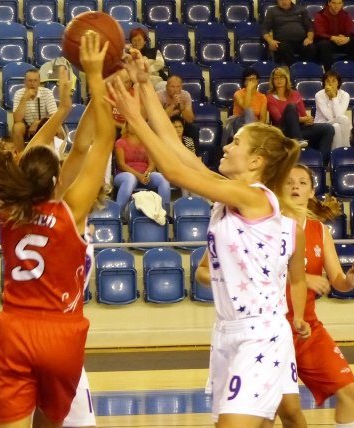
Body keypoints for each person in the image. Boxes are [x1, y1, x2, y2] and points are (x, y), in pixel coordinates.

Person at [106, 49, 311, 428]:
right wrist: (144, 85)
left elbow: (173, 169)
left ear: (256, 162)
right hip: (227, 331)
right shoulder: (229, 192)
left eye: (236, 143)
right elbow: (175, 149)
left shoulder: (256, 197)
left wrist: (133, 116)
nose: (226, 146)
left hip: (260, 333)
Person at [0, 31, 115, 428]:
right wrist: (96, 78)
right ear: (56, 181)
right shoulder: (71, 211)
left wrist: (63, 109)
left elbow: (65, 151)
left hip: (15, 329)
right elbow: (96, 143)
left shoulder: (10, 211)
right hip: (62, 332)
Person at [276, 164, 354, 428]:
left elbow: (336, 279)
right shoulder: (268, 226)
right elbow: (257, 273)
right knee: (288, 412)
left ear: (311, 192)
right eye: (289, 181)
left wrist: (349, 282)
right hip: (272, 328)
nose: (295, 186)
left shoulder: (320, 231)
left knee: (348, 390)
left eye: (302, 182)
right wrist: (301, 278)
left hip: (307, 328)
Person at [267, 66, 334, 162]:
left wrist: (308, 119)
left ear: (286, 79)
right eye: (276, 78)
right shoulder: (270, 97)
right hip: (283, 131)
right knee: (291, 107)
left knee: (329, 128)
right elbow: (278, 119)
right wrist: (302, 119)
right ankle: (298, 139)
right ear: (272, 81)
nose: (279, 80)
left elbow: (303, 114)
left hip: (299, 129)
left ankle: (321, 163)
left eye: (281, 77)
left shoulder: (295, 94)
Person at [113, 122, 171, 213]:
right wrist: (139, 176)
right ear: (126, 126)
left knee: (163, 178)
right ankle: (118, 213)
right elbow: (121, 164)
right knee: (130, 178)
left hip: (145, 175)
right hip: (124, 175)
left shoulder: (146, 143)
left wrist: (147, 174)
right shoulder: (120, 143)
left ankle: (164, 213)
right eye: (131, 124)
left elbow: (152, 163)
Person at [12, 69, 58, 153]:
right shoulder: (19, 93)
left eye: (35, 80)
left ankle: (55, 155)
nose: (32, 84)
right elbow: (17, 119)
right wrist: (24, 98)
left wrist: (38, 123)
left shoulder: (47, 93)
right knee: (17, 127)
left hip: (43, 124)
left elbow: (54, 116)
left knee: (58, 127)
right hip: (26, 127)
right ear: (25, 82)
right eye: (29, 81)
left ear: (39, 82)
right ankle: (21, 156)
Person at [221, 68, 268, 146]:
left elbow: (263, 119)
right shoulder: (238, 94)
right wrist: (249, 89)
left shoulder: (262, 97)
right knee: (249, 111)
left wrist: (254, 125)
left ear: (257, 80)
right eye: (248, 79)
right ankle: (251, 138)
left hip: (254, 124)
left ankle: (250, 138)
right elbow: (246, 107)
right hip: (238, 122)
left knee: (254, 119)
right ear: (244, 82)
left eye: (253, 79)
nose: (251, 82)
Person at [262, 0, 317, 66]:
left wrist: (309, 38)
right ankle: (293, 68)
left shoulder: (301, 10)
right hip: (283, 42)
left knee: (311, 47)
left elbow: (310, 27)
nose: (283, 2)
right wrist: (270, 41)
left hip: (301, 41)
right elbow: (264, 29)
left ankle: (304, 67)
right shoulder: (272, 11)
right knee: (284, 47)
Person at [313, 0, 354, 69]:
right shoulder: (320, 15)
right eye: (334, 3)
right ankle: (329, 72)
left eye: (339, 3)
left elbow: (351, 31)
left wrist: (347, 38)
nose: (336, 6)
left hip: (342, 42)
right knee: (324, 44)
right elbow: (319, 33)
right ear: (329, 3)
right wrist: (332, 37)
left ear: (342, 4)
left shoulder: (346, 14)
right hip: (328, 42)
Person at [314, 70, 351, 149]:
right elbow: (329, 117)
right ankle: (346, 149)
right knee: (344, 119)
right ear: (324, 83)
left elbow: (338, 115)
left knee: (336, 126)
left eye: (334, 81)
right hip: (321, 124)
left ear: (338, 83)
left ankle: (336, 153)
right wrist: (334, 97)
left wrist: (334, 97)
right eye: (328, 81)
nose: (331, 84)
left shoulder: (345, 95)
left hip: (337, 122)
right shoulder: (319, 95)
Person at [156, 74, 199, 144]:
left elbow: (190, 119)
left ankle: (192, 150)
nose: (175, 90)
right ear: (166, 87)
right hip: (164, 123)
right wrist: (173, 105)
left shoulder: (185, 95)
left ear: (181, 87)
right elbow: (158, 118)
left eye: (178, 86)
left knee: (194, 128)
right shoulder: (159, 95)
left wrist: (182, 107)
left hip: (179, 123)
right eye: (172, 86)